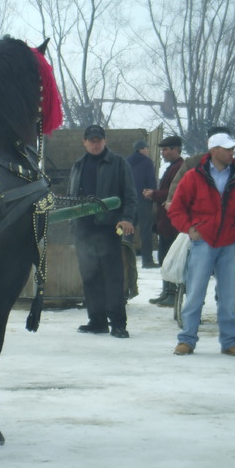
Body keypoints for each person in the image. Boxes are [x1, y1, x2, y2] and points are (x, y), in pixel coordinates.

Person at [168, 132, 235, 356]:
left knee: (228, 295)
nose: (231, 153)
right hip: (203, 243)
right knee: (195, 293)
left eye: (232, 149)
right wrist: (189, 228)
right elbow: (177, 209)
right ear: (214, 150)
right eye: (227, 149)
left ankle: (230, 341)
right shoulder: (193, 177)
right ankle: (187, 339)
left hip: (230, 244)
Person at [68, 124, 137, 339]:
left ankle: (118, 323)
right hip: (84, 229)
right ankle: (97, 320)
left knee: (113, 277)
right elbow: (71, 197)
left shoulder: (118, 163)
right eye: (91, 140)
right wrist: (73, 224)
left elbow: (130, 195)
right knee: (90, 276)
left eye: (98, 140)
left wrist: (126, 218)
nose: (95, 143)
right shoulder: (78, 165)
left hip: (109, 228)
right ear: (84, 142)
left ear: (105, 141)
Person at [143, 135, 184, 307]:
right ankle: (167, 291)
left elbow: (173, 193)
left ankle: (173, 293)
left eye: (166, 149)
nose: (163, 153)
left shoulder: (180, 168)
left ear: (176, 149)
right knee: (165, 258)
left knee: (172, 258)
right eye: (162, 150)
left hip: (173, 222)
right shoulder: (172, 167)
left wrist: (154, 194)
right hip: (165, 221)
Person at [126, 140, 156, 268]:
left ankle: (125, 259)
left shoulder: (126, 162)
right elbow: (151, 179)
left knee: (127, 231)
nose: (148, 151)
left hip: (130, 201)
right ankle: (147, 260)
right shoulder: (147, 162)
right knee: (146, 232)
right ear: (140, 149)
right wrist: (153, 194)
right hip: (144, 200)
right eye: (146, 148)